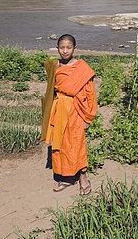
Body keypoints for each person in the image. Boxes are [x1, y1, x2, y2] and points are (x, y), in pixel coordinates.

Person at [40, 34, 97, 195]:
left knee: (77, 145)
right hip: (59, 110)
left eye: (68, 47)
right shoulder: (54, 66)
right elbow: (51, 91)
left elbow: (90, 94)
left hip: (76, 111)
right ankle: (66, 177)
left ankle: (83, 178)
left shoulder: (82, 68)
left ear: (74, 49)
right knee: (60, 145)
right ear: (57, 48)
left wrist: (88, 118)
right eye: (62, 47)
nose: (65, 51)